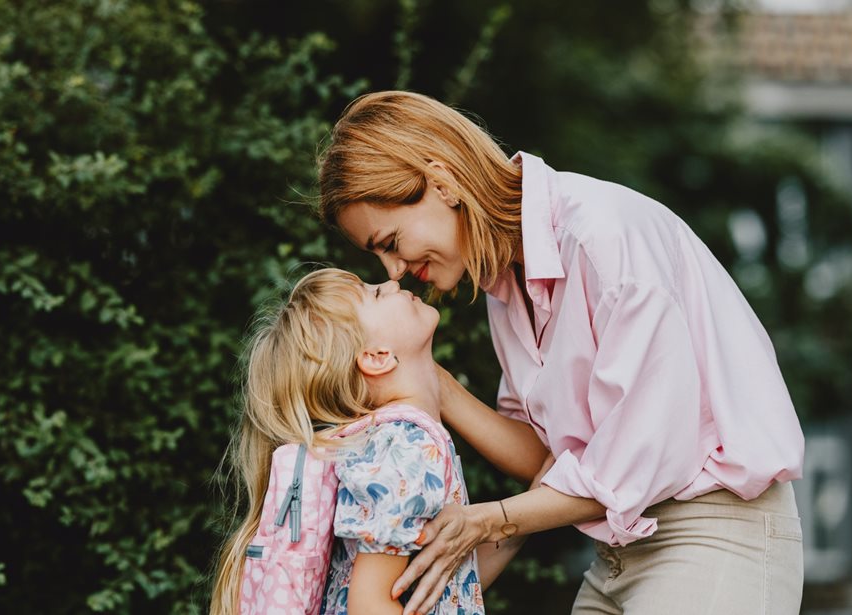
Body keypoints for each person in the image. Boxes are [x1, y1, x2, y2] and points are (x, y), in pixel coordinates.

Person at [317, 91, 805, 615]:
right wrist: (425, 380)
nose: (393, 270)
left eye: (390, 241)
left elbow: (627, 467)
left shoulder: (604, 241)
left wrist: (489, 521)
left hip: (713, 537)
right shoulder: (508, 280)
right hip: (619, 553)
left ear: (442, 182)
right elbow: (551, 460)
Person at [210, 268, 531, 615]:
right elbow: (370, 606)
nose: (392, 282)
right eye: (375, 294)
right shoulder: (406, 445)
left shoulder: (385, 441)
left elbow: (438, 588)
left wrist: (524, 519)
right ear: (377, 357)